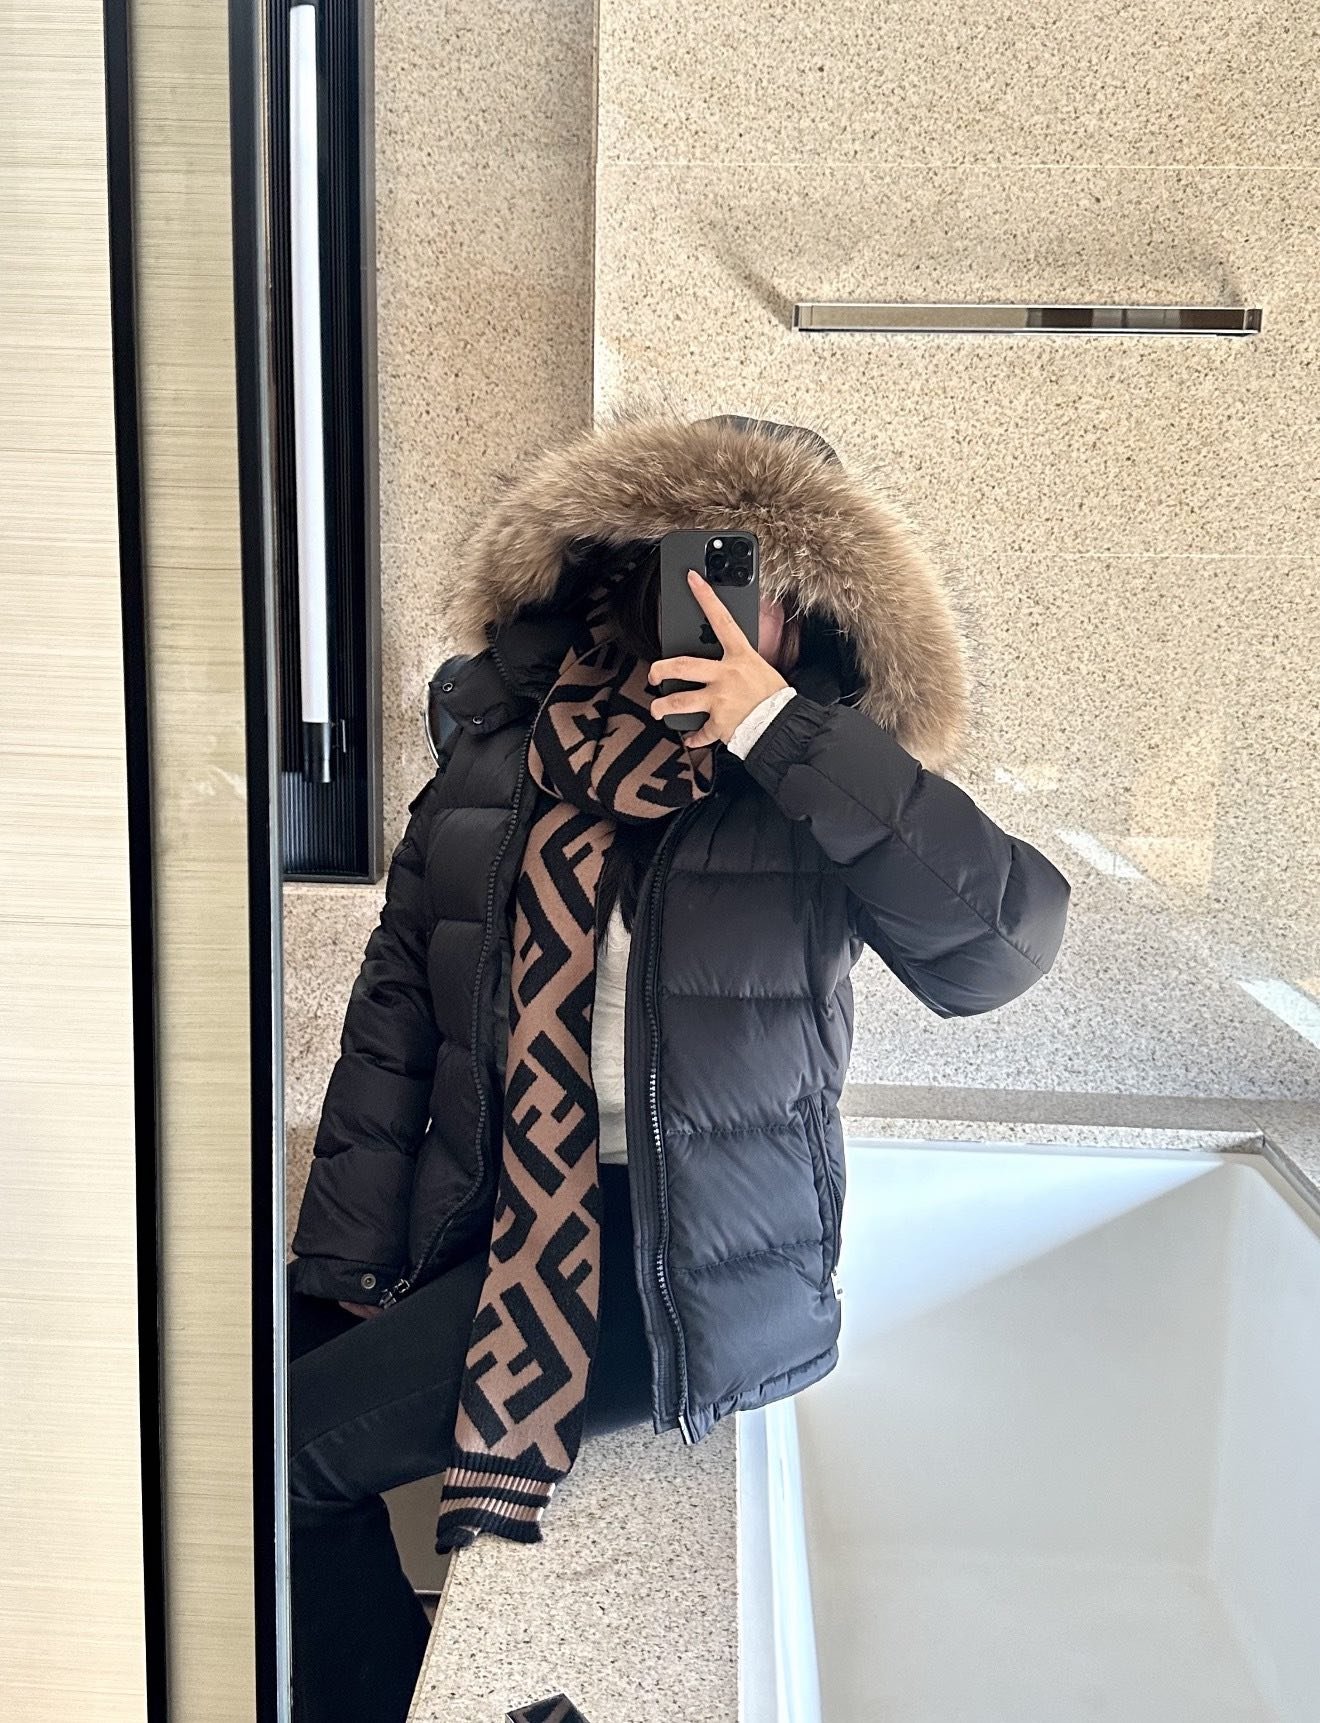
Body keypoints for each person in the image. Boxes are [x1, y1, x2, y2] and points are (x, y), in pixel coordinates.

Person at [285, 410, 1071, 1720]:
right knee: (226, 1412)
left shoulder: (819, 781)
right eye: (680, 565)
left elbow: (998, 951)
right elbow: (398, 1010)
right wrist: (349, 1263)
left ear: (814, 611)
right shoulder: (502, 747)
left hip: (683, 1256)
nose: (711, 605)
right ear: (616, 565)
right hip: (485, 1204)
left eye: (756, 579)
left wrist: (784, 734)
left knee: (283, 1463)